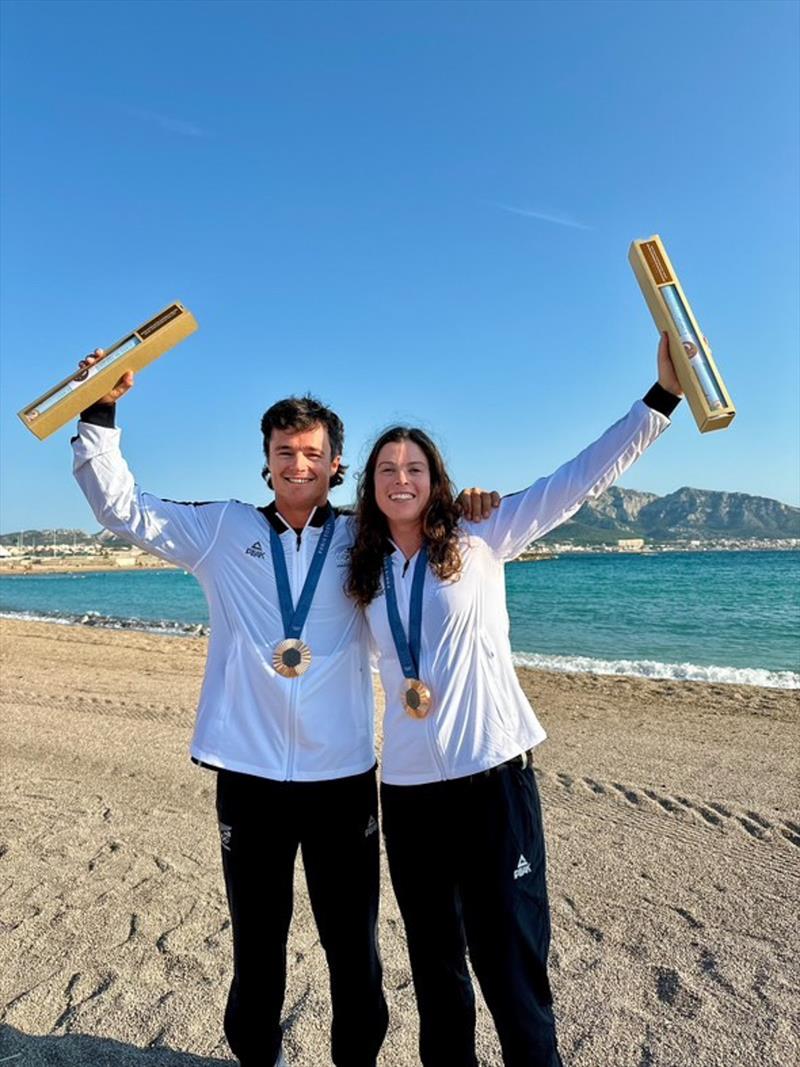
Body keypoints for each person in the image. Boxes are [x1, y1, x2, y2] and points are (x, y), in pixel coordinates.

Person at [70, 351, 494, 1067]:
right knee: (257, 943)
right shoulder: (221, 530)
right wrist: (99, 411)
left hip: (343, 780)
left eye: (314, 454)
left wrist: (471, 503)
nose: (299, 464)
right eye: (284, 453)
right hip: (249, 776)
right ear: (266, 463)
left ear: (336, 465)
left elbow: (432, 527)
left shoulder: (366, 538)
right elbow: (122, 508)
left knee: (352, 947)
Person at [346, 334, 682, 1067]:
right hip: (404, 794)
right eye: (386, 468)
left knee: (512, 966)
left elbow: (580, 479)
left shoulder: (482, 531)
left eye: (414, 467)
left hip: (492, 781)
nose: (400, 478)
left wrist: (660, 400)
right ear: (369, 485)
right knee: (437, 974)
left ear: (436, 479)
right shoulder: (361, 565)